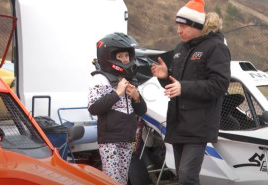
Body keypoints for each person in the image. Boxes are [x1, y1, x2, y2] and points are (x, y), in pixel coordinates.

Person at [151, 0, 231, 184]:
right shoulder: (180, 49)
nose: (179, 30)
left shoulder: (216, 47)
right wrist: (165, 76)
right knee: (182, 175)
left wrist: (183, 87)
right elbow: (175, 85)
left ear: (197, 25)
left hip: (199, 124)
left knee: (187, 176)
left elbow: (219, 84)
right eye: (178, 25)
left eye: (183, 26)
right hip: (178, 122)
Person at [88, 32, 147, 185]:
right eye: (119, 56)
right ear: (109, 56)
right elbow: (93, 108)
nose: (124, 59)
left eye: (126, 56)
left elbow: (142, 111)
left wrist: (136, 96)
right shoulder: (100, 78)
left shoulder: (129, 79)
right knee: (111, 180)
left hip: (127, 138)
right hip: (110, 140)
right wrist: (117, 93)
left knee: (122, 180)